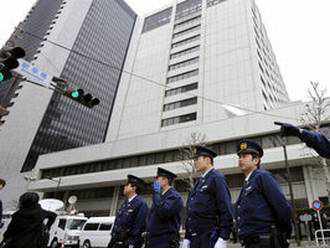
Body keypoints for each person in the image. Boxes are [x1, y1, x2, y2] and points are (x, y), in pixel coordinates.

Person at [235, 140, 292, 248]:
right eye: (239, 157)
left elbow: (282, 206)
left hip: (264, 241)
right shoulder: (247, 182)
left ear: (256, 160)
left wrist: (285, 234)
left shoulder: (262, 176)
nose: (240, 160)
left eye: (244, 156)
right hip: (250, 242)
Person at [183, 146, 233, 248]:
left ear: (207, 160)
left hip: (210, 236)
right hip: (196, 237)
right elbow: (192, 211)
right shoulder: (199, 182)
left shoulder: (217, 178)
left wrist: (223, 238)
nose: (195, 162)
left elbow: (225, 208)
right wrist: (187, 237)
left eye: (197, 159)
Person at [146, 167, 184, 248]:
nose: (155, 182)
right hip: (152, 240)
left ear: (165, 180)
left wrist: (156, 193)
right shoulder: (160, 196)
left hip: (165, 241)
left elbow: (163, 212)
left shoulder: (174, 196)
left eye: (157, 179)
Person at [108, 175, 149, 248]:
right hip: (115, 241)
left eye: (127, 185)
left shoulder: (141, 204)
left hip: (128, 244)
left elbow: (139, 227)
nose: (124, 187)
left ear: (133, 188)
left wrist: (131, 243)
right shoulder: (125, 203)